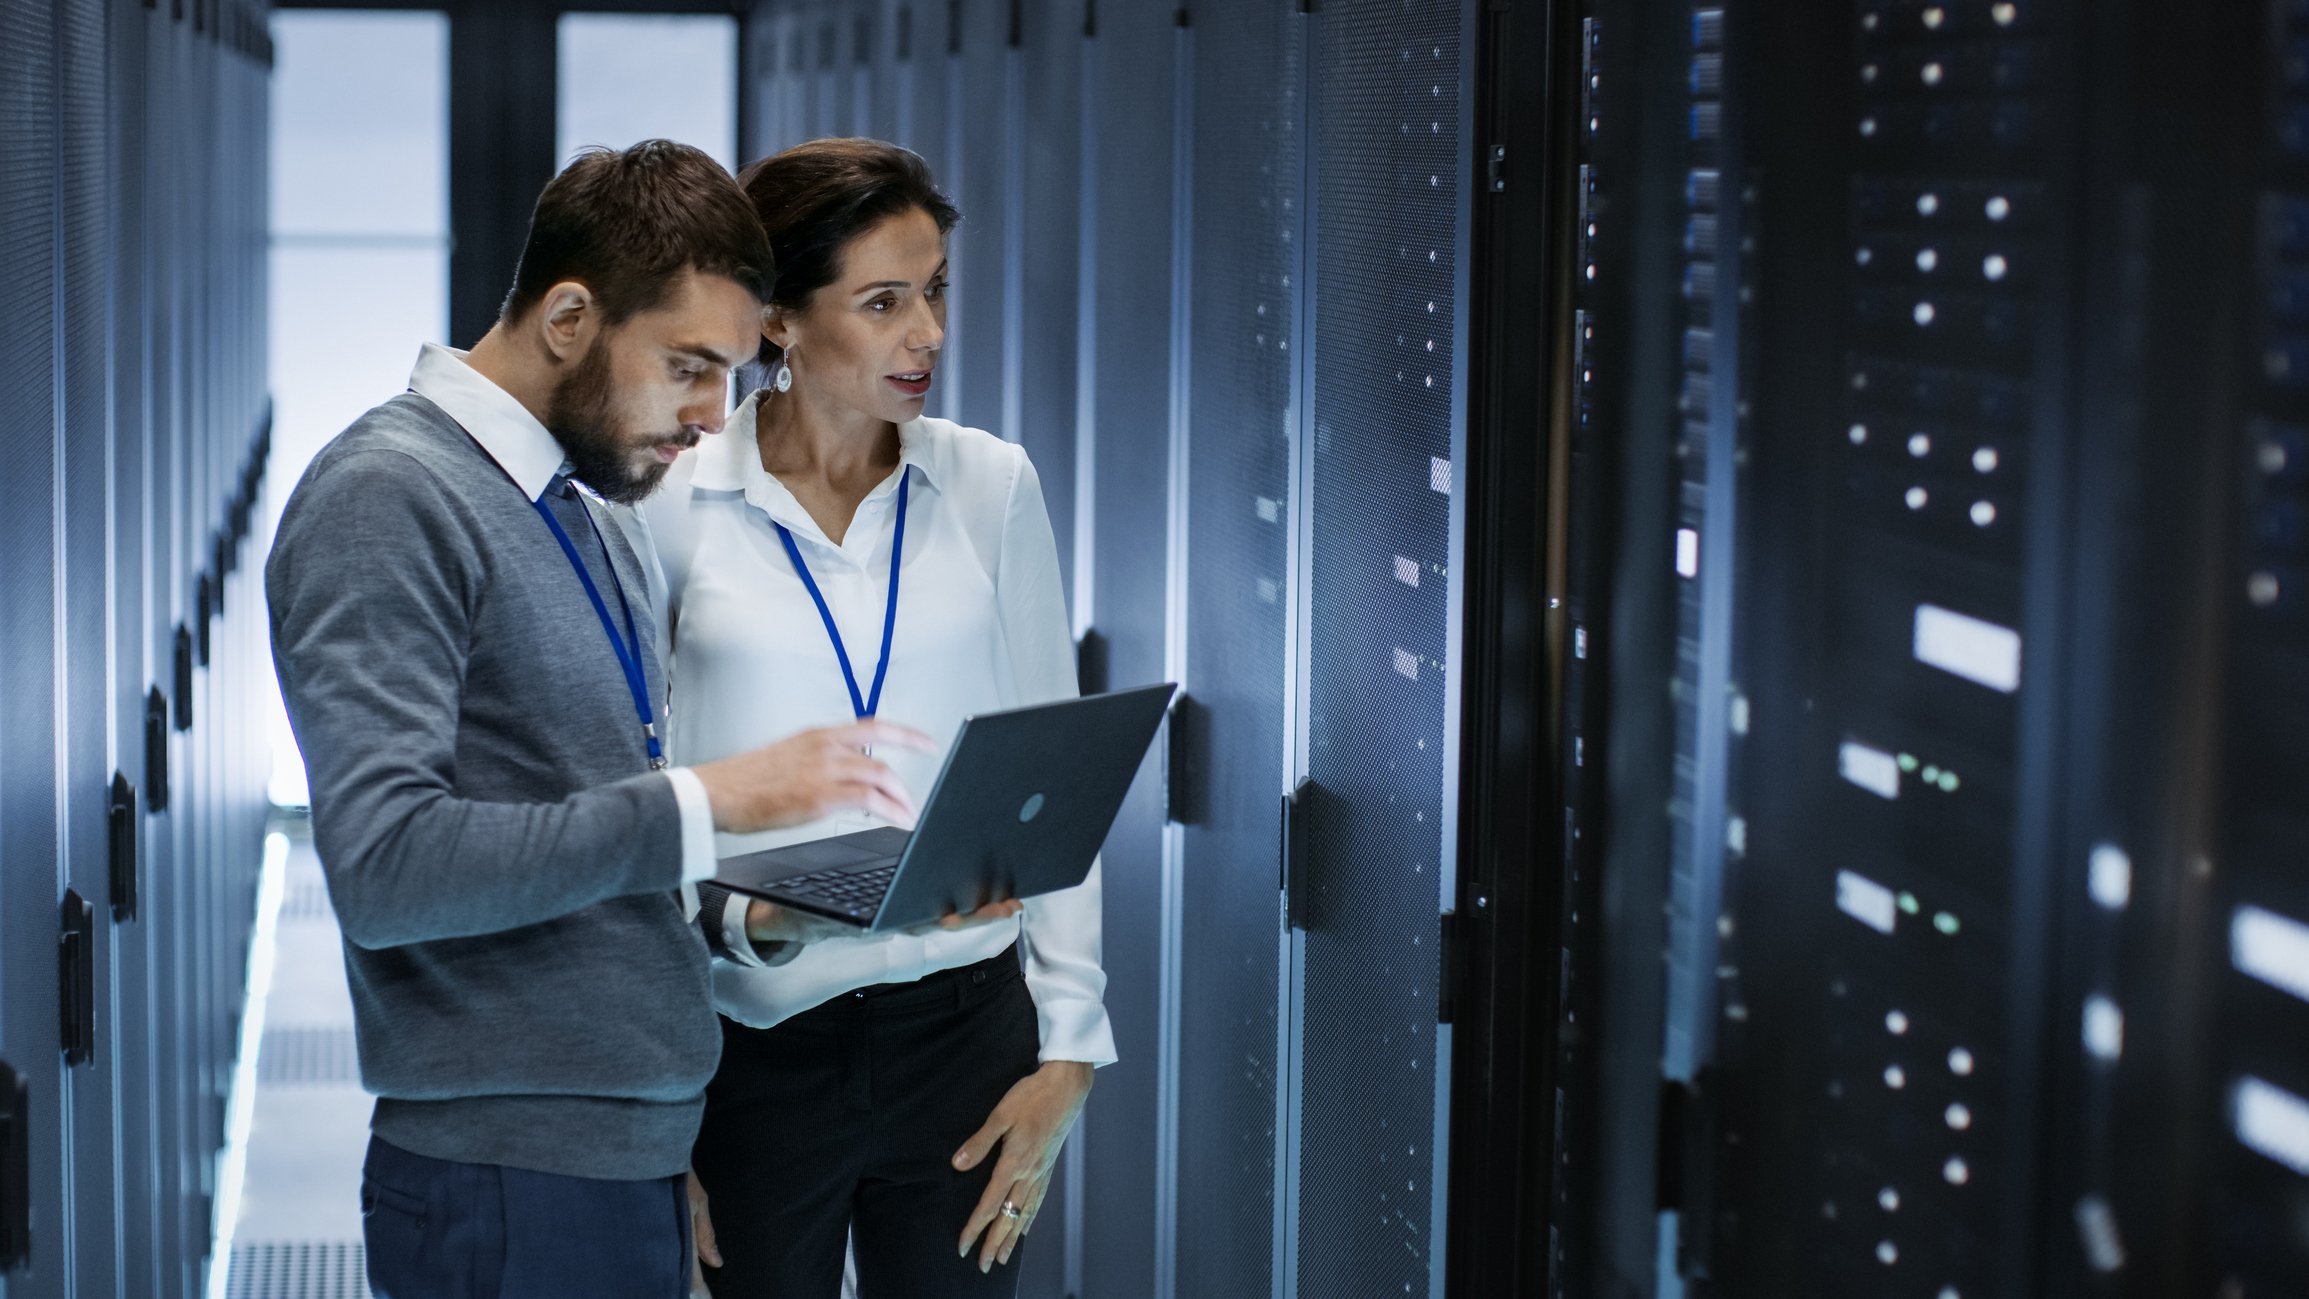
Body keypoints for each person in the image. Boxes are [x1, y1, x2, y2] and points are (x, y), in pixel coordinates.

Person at [266, 140, 943, 1299]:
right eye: (685, 365)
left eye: (728, 371)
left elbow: (587, 834)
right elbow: (388, 869)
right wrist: (714, 800)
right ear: (571, 315)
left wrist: (757, 915)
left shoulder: (591, 513)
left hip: (625, 1155)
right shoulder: (390, 497)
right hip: (507, 1177)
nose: (707, 415)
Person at [644, 138, 1112, 1297]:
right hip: (750, 1042)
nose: (929, 335)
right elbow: (626, 801)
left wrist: (1067, 1051)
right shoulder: (671, 500)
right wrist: (655, 1111)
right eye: (884, 301)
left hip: (964, 1036)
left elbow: (1054, 767)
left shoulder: (990, 485)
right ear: (780, 324)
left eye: (936, 289)